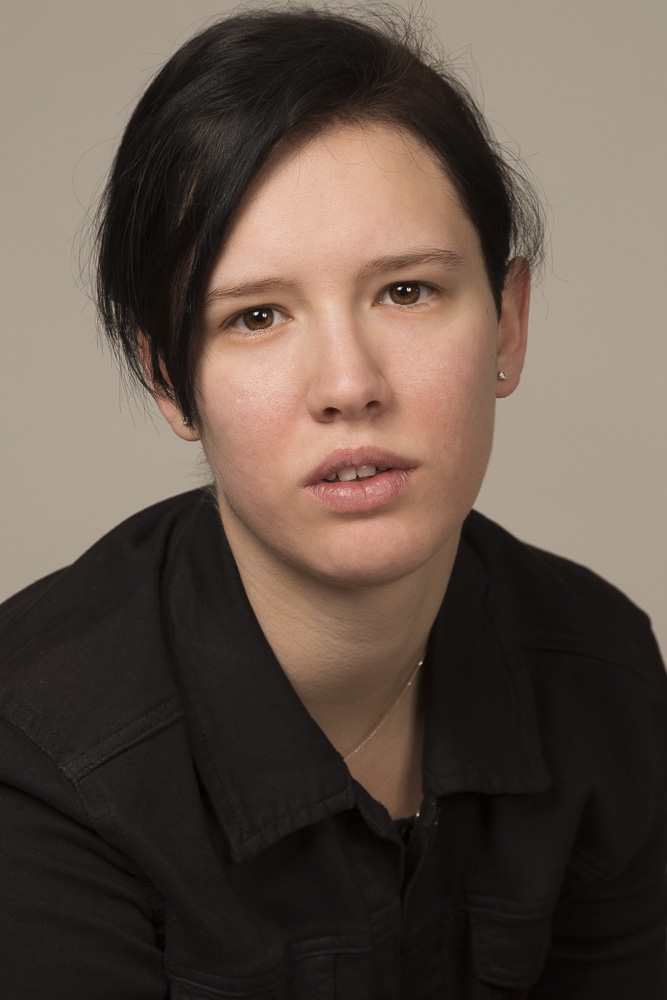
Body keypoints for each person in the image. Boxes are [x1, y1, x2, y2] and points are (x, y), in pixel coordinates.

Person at [0, 6, 665, 998]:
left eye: (406, 292)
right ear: (169, 379)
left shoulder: (601, 671)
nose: (349, 384)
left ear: (507, 324)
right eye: (256, 315)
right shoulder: (38, 757)